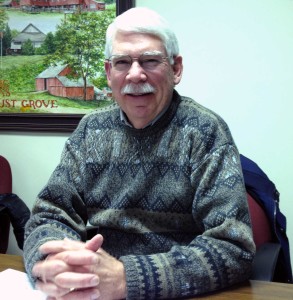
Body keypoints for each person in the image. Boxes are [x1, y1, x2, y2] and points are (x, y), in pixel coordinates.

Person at [24, 7, 256, 300]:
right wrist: (53, 262)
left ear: (176, 69)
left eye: (150, 60)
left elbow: (234, 248)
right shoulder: (89, 130)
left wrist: (126, 278)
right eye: (122, 62)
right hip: (89, 291)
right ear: (109, 73)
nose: (135, 74)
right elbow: (48, 215)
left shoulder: (204, 132)